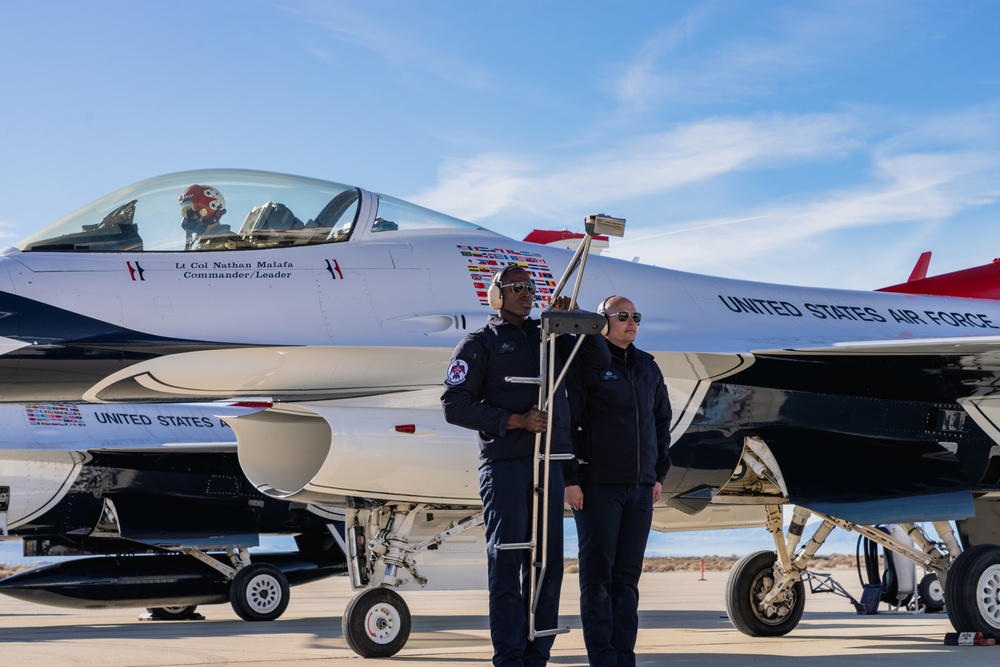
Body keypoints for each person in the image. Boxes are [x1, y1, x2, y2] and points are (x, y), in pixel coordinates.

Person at [441, 264, 609, 667]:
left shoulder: (548, 336)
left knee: (548, 565)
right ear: (497, 294)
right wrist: (514, 421)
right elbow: (454, 404)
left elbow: (599, 359)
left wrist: (577, 319)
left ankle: (538, 656)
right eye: (516, 287)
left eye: (530, 287)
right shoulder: (479, 343)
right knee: (507, 563)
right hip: (505, 466)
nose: (526, 293)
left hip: (549, 465)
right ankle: (510, 658)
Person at [565, 295, 671, 667]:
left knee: (626, 580)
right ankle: (602, 660)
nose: (631, 321)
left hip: (641, 490)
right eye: (622, 316)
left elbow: (661, 425)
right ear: (602, 321)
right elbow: (569, 425)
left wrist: (657, 476)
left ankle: (624, 658)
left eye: (636, 316)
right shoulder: (587, 366)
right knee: (598, 580)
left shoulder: (647, 367)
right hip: (597, 488)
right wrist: (571, 479)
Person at [178, 184, 243, 250]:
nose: (187, 218)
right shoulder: (207, 243)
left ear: (205, 210)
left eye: (190, 212)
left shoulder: (225, 242)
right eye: (185, 213)